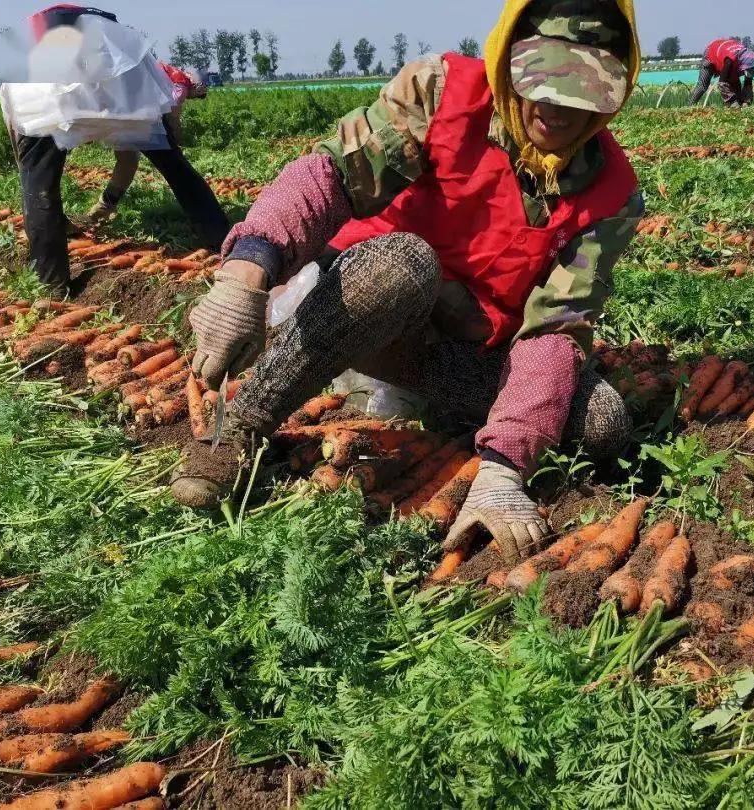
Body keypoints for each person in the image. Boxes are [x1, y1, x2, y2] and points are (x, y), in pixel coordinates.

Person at [170, 0, 645, 565]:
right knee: (407, 265)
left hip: (456, 349)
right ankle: (243, 429)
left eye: (582, 92)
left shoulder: (611, 194)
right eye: (540, 79)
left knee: (600, 419)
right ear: (507, 59)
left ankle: (447, 416)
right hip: (362, 300)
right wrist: (245, 273)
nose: (556, 108)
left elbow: (556, 327)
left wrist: (505, 466)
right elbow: (330, 176)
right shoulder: (441, 93)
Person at [11, 5, 229, 296]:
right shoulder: (115, 39)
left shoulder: (25, 62)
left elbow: (27, 155)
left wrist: (32, 170)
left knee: (38, 183)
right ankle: (220, 236)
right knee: (173, 164)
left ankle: (52, 285)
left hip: (52, 86)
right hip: (119, 72)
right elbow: (138, 147)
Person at [78, 63, 210, 227]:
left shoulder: (174, 73)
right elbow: (172, 114)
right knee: (165, 164)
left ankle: (103, 207)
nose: (193, 98)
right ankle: (209, 223)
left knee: (127, 160)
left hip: (123, 99)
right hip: (137, 109)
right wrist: (177, 137)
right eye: (197, 95)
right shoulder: (181, 86)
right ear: (197, 88)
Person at [689, 38, 754, 107]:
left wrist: (747, 101)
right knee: (702, 86)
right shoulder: (730, 61)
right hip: (711, 53)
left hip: (726, 53)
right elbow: (722, 82)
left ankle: (736, 107)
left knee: (736, 87)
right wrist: (732, 101)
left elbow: (748, 83)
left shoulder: (748, 60)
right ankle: (689, 106)